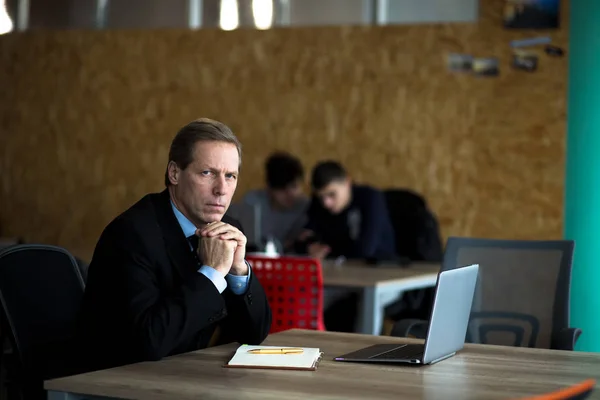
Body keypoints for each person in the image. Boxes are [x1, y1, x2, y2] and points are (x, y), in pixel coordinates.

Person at [78, 118, 272, 372]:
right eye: (208, 173)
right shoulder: (131, 235)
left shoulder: (228, 230)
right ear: (174, 173)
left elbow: (254, 334)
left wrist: (237, 271)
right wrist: (212, 273)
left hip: (184, 375)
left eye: (230, 176)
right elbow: (148, 342)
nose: (221, 189)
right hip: (119, 380)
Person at [298, 160, 396, 262]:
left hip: (379, 267)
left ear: (347, 182)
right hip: (338, 268)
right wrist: (309, 247)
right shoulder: (317, 203)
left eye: (332, 194)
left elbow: (365, 250)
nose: (326, 203)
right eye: (321, 197)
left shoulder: (370, 198)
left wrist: (327, 251)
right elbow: (301, 240)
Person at [238, 151, 308, 252]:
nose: (290, 194)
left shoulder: (306, 208)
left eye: (294, 186)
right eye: (282, 190)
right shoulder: (252, 203)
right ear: (269, 188)